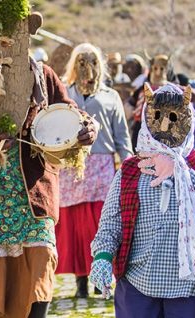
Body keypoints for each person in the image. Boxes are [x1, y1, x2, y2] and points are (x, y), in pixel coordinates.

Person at [0, 2, 97, 317]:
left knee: (39, 272)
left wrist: (88, 128)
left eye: (8, 40)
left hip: (34, 198)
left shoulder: (43, 76)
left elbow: (71, 116)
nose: (1, 47)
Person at [90, 82, 195, 317]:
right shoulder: (131, 168)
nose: (166, 125)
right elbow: (111, 222)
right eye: (158, 117)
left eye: (173, 117)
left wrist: (181, 172)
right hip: (137, 286)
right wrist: (102, 257)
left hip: (190, 289)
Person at [56, 43, 133, 298]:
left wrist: (130, 165)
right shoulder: (65, 93)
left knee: (101, 224)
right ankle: (80, 281)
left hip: (101, 167)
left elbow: (122, 136)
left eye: (91, 62)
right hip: (72, 169)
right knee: (76, 227)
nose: (87, 67)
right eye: (81, 62)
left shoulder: (110, 96)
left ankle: (100, 278)